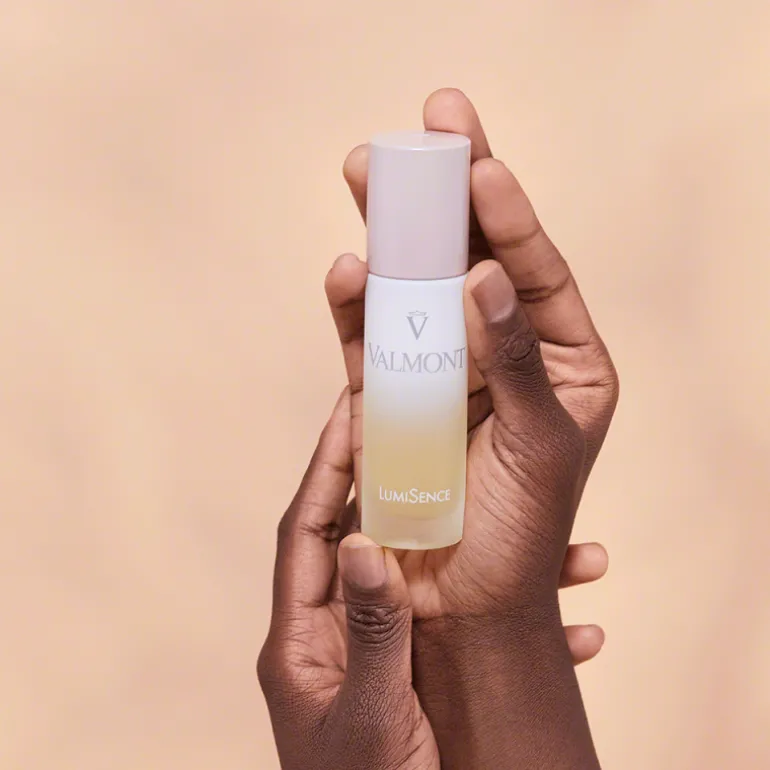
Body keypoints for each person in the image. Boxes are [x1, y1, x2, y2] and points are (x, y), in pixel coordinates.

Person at [258, 89, 619, 769]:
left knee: (418, 368)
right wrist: (492, 627)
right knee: (407, 368)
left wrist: (492, 620)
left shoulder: (434, 291)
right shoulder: (395, 291)